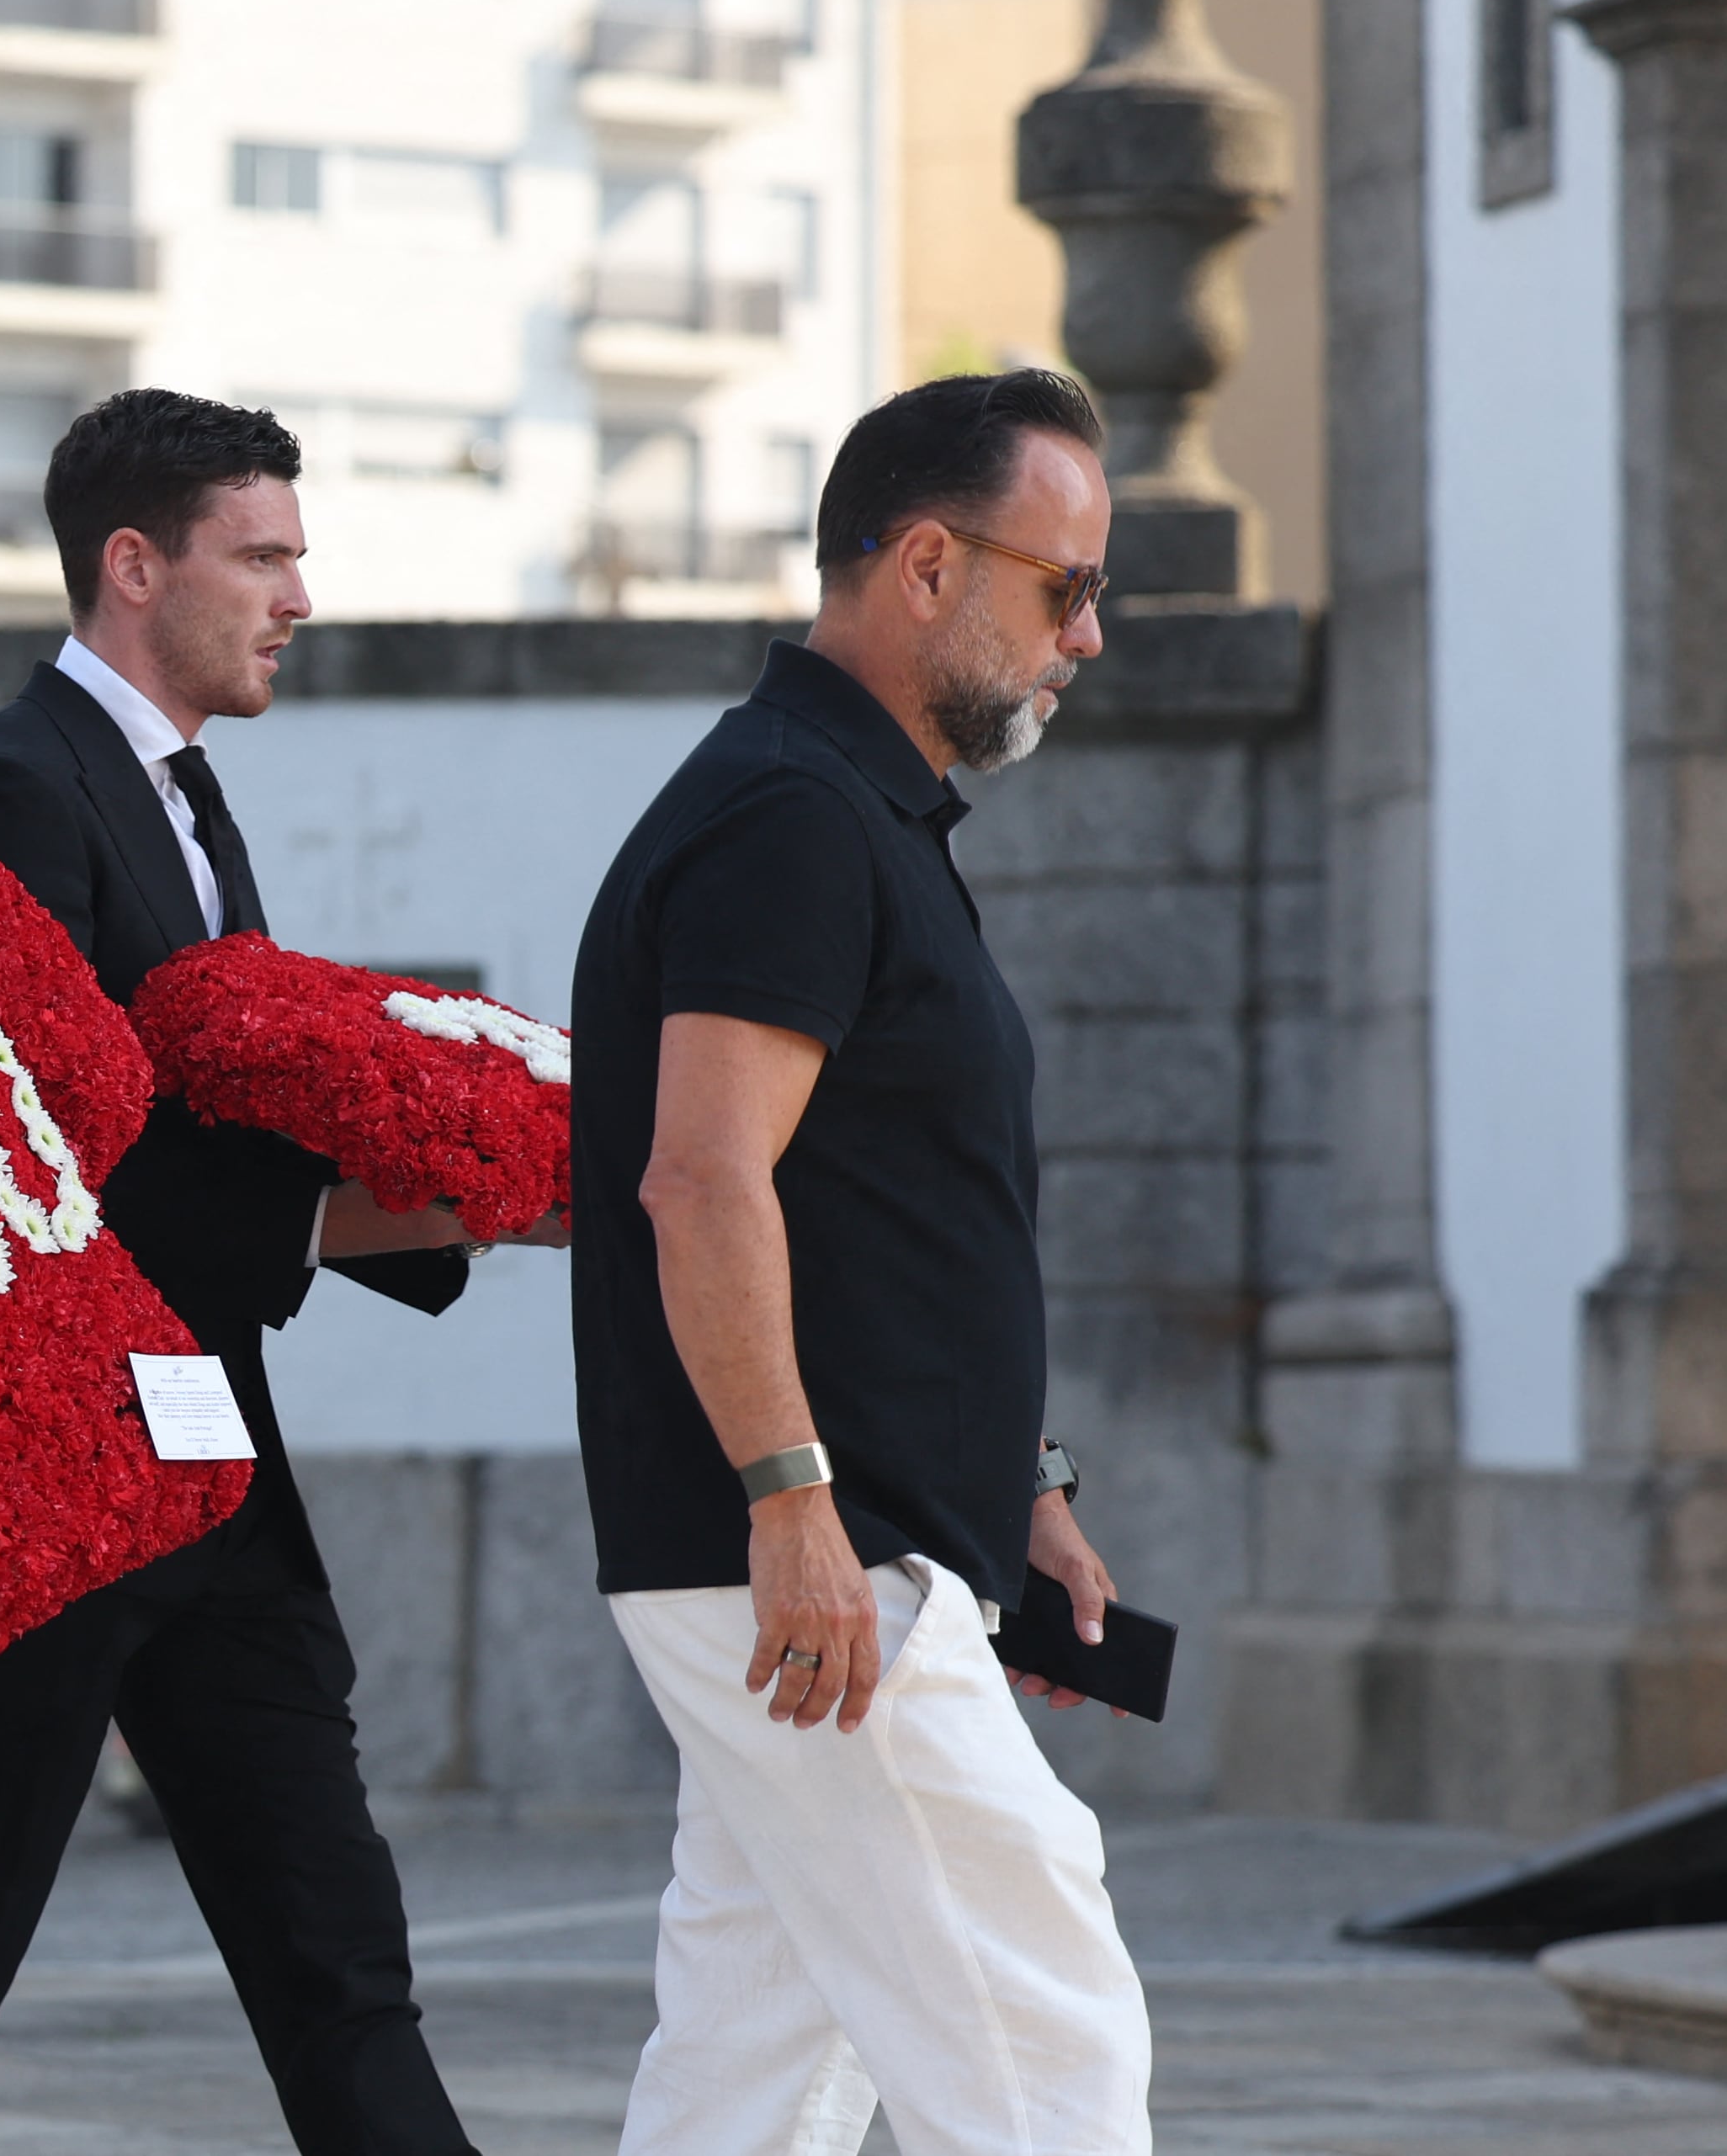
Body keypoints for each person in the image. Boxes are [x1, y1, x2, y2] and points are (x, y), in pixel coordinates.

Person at [0, 389, 536, 2156]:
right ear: (136, 567)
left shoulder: (189, 791)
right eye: (262, 554)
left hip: (215, 1463)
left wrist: (470, 1169)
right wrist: (389, 1212)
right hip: (58, 1475)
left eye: (299, 553)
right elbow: (37, 1146)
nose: (298, 593)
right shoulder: (11, 776)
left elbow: (239, 1091)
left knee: (336, 1949)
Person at [567, 369, 1151, 2154]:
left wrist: (1022, 1486)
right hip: (822, 1558)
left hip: (854, 1542)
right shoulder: (792, 817)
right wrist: (791, 1494)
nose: (1091, 637)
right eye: (1064, 589)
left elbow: (895, 1214)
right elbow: (704, 1174)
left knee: (756, 2066)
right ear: (923, 563)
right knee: (1045, 2030)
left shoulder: (848, 810)